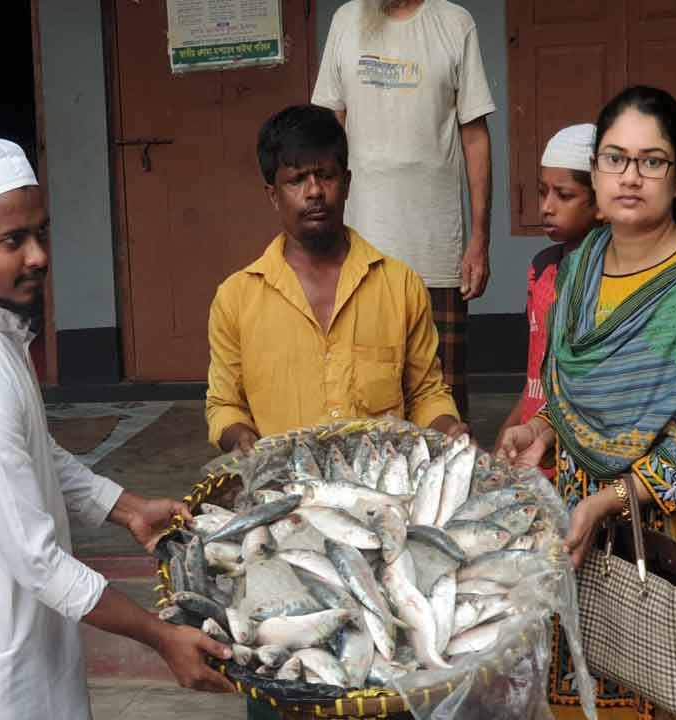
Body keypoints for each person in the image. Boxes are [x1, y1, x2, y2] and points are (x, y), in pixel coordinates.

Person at [0, 137, 235, 720]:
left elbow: (35, 451)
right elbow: (38, 561)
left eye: (41, 233)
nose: (38, 256)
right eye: (12, 241)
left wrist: (127, 508)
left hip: (17, 624)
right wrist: (161, 635)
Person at [208, 102, 470, 720]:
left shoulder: (399, 284)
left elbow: (427, 389)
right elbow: (223, 403)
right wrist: (242, 439)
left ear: (347, 181)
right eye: (297, 179)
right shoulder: (237, 297)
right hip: (287, 528)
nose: (314, 192)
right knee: (288, 679)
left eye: (326, 175)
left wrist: (448, 427)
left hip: (383, 528)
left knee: (384, 681)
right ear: (271, 192)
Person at [500, 86, 676, 720]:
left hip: (667, 542)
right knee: (583, 690)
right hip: (581, 534)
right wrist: (544, 432)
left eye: (651, 160)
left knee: (666, 695)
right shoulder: (579, 270)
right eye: (614, 158)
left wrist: (607, 502)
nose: (630, 177)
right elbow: (567, 389)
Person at [311, 0, 496, 418]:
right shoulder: (346, 21)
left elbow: (475, 136)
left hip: (435, 249)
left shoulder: (454, 23)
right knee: (363, 402)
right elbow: (326, 132)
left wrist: (480, 240)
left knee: (442, 404)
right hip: (357, 251)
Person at [493, 124, 601, 467]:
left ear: (600, 202)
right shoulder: (541, 269)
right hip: (528, 446)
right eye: (543, 193)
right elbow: (534, 378)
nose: (547, 207)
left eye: (564, 195)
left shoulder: (609, 276)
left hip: (575, 458)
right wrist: (506, 432)